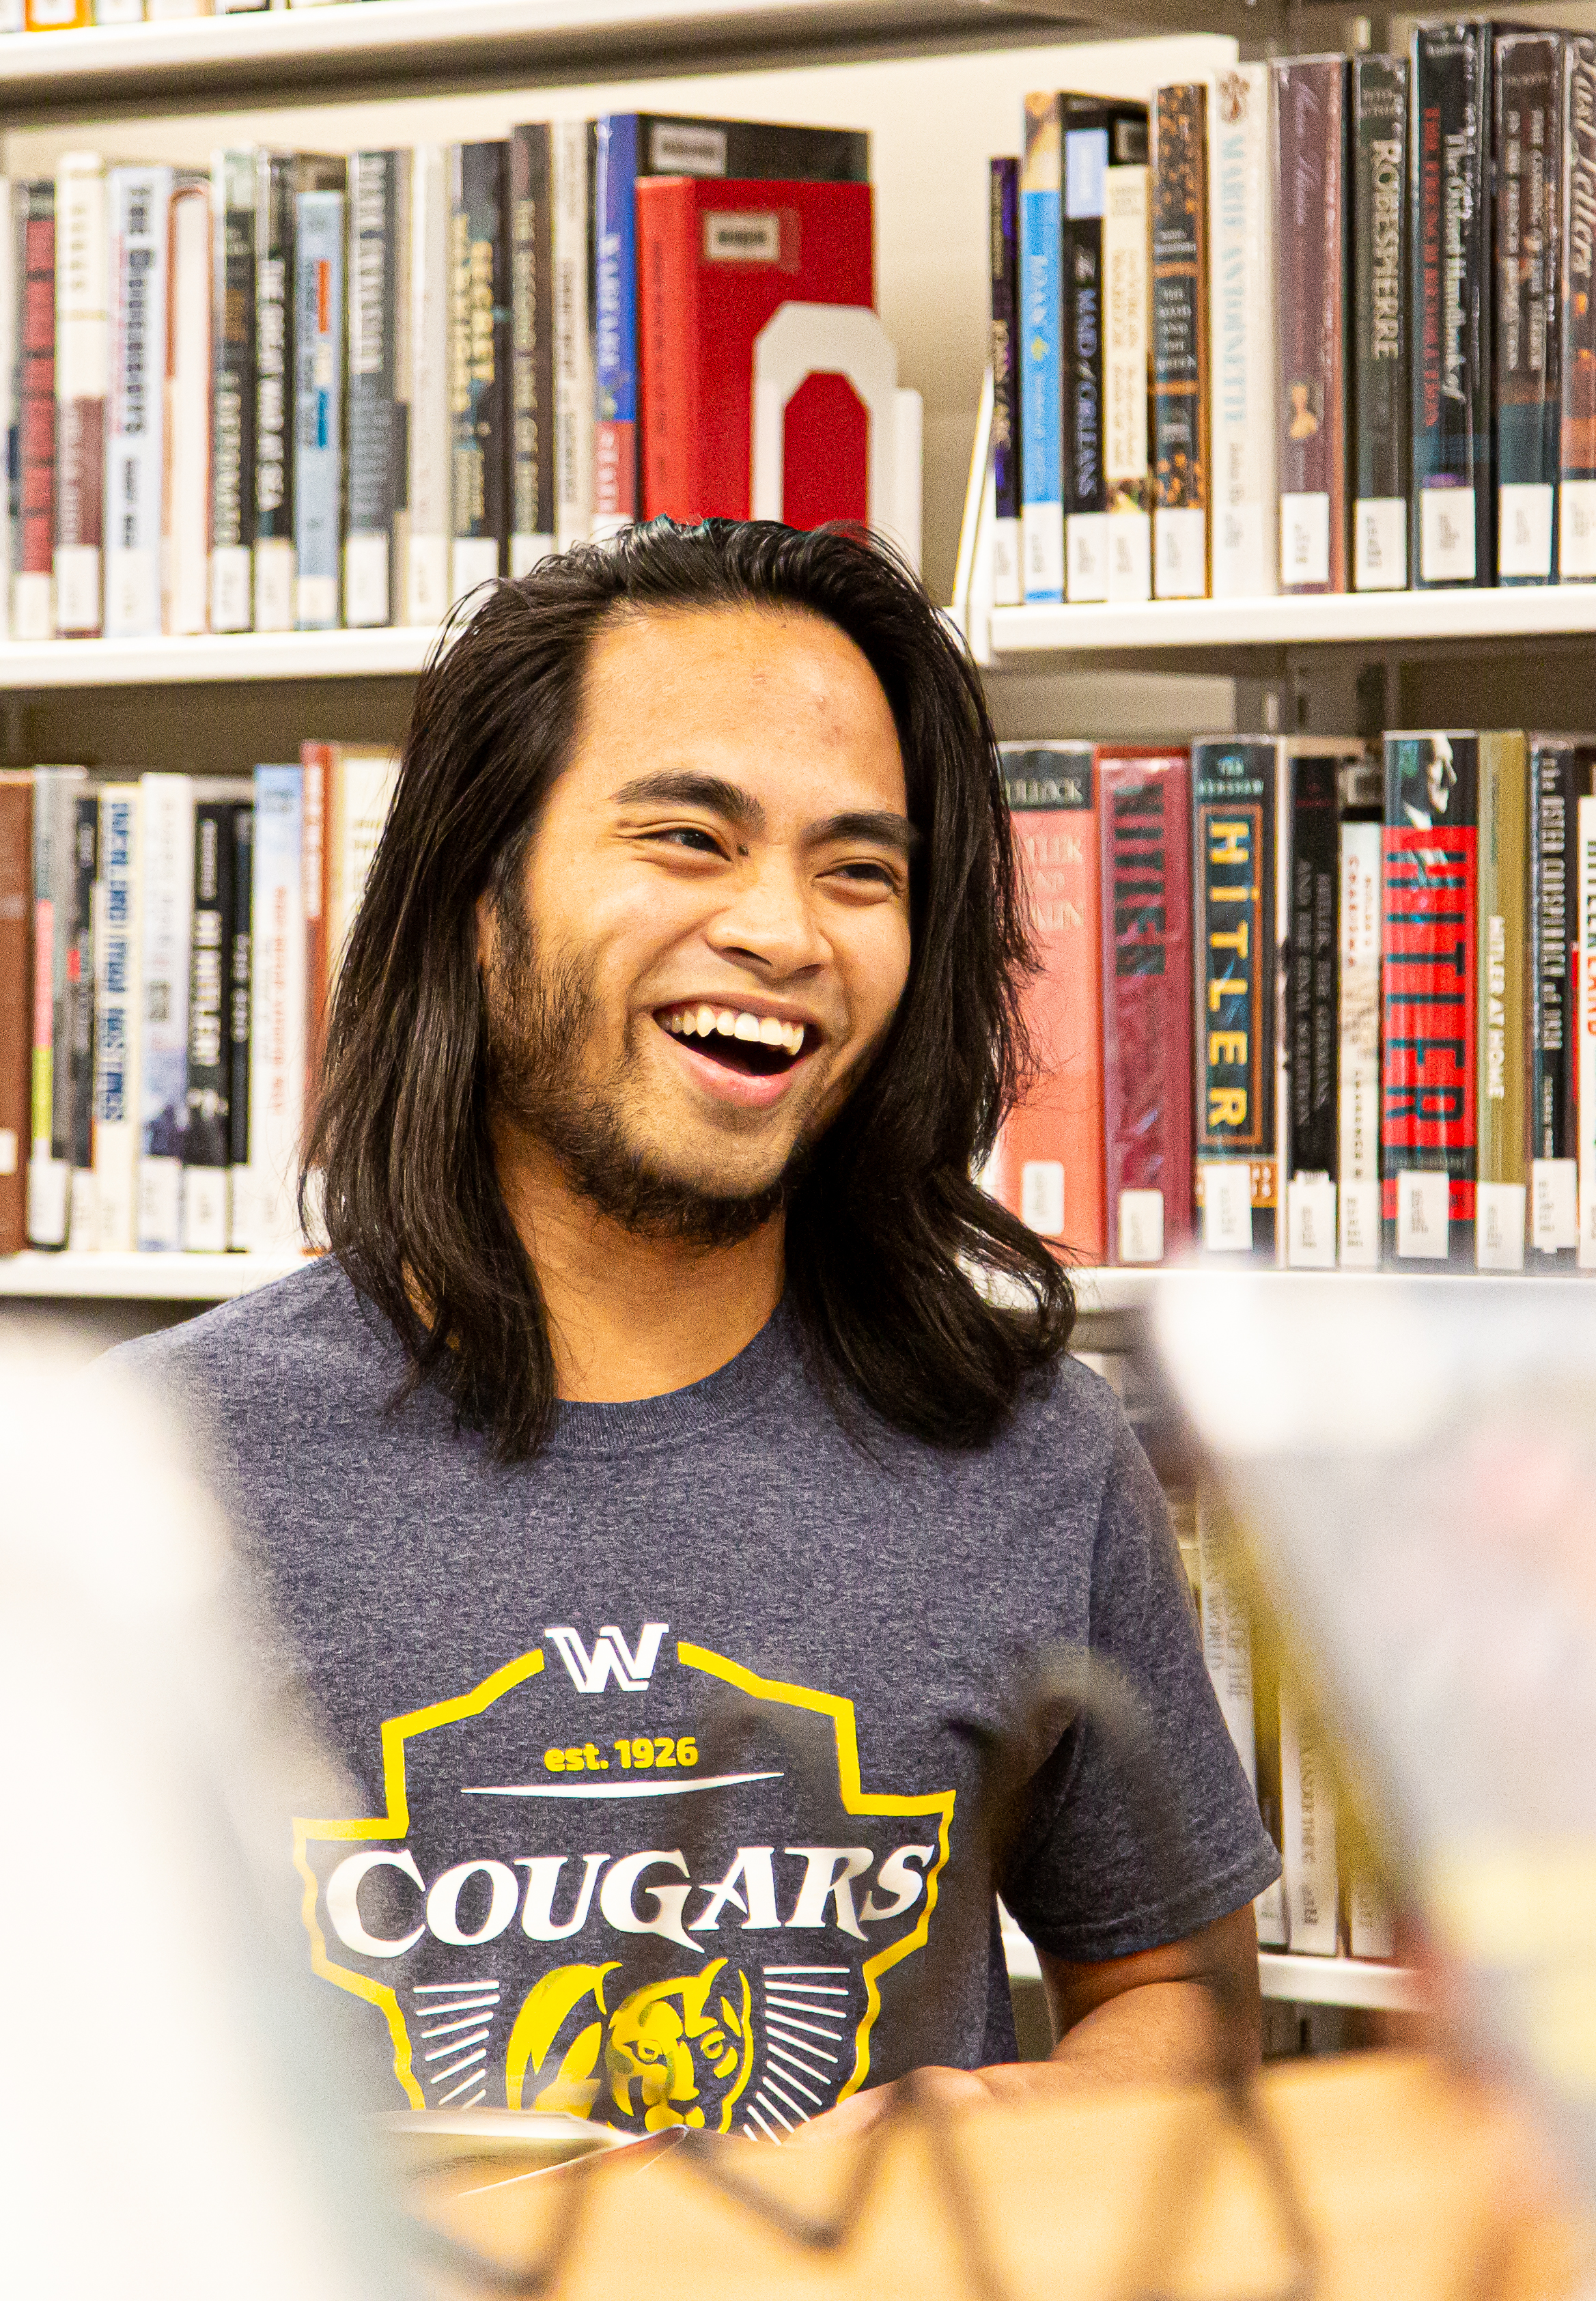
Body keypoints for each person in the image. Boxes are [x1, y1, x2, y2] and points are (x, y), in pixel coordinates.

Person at [122, 518, 1274, 2140]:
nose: (786, 933)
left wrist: (991, 2133)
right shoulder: (143, 1472)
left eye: (859, 869)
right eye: (688, 837)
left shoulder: (1025, 1447)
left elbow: (1178, 1996)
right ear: (476, 890)